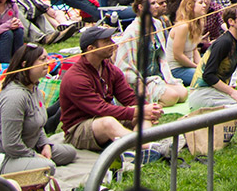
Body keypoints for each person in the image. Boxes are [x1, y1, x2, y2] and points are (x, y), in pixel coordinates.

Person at [57, 24, 161, 155]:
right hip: (78, 129)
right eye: (106, 41)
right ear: (91, 48)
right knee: (109, 122)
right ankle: (147, 147)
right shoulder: (75, 78)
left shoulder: (109, 69)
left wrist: (150, 109)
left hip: (105, 118)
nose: (113, 44)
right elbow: (101, 109)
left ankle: (138, 149)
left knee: (143, 113)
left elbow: (128, 97)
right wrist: (140, 111)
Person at [0, 44, 76, 177]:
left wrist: (45, 145)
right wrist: (34, 156)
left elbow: (38, 126)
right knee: (48, 167)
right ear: (25, 64)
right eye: (42, 59)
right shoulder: (14, 97)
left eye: (47, 58)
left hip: (26, 148)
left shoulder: (35, 90)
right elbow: (11, 144)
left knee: (70, 153)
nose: (48, 63)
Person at [188, 6, 237, 112]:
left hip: (217, 92)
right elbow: (208, 75)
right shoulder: (224, 42)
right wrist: (232, 92)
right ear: (231, 21)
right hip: (202, 93)